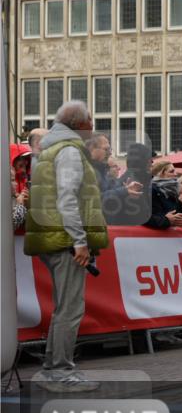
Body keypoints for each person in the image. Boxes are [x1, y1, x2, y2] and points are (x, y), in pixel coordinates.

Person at [23, 102, 107, 392]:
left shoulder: (47, 149)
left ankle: (54, 368)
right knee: (70, 309)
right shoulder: (70, 151)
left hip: (51, 236)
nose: (93, 127)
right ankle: (59, 372)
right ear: (79, 124)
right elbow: (67, 197)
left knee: (64, 308)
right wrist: (79, 241)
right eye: (91, 121)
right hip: (65, 239)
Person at [147, 160, 182, 229]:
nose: (175, 174)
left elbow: (174, 216)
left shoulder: (171, 191)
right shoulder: (151, 190)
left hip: (166, 235)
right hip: (155, 236)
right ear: (161, 173)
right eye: (171, 171)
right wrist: (166, 220)